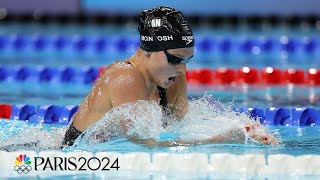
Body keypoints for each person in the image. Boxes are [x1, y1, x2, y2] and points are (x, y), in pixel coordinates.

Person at [63, 6, 278, 147]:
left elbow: (182, 129)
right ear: (148, 50)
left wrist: (242, 128)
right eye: (175, 59)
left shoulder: (172, 80)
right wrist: (226, 139)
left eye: (186, 60)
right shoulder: (125, 77)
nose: (182, 70)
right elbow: (144, 146)